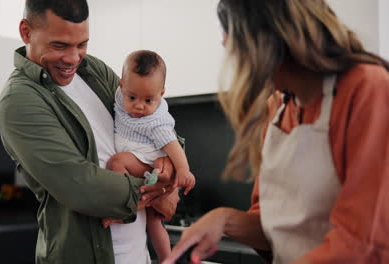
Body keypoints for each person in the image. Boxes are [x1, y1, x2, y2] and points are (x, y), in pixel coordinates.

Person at [163, 0, 389, 263]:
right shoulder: (278, 107)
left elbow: (363, 241)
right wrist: (224, 219)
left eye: (237, 48)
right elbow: (276, 228)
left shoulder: (366, 90)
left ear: (267, 38)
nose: (236, 63)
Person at [0, 0, 179, 263]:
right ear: (26, 32)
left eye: (82, 45)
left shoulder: (93, 70)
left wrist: (168, 171)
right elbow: (82, 186)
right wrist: (160, 189)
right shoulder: (18, 100)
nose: (73, 58)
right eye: (59, 45)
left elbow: (156, 123)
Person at [102, 50, 196, 261]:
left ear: (161, 94)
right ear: (121, 86)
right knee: (154, 222)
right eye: (132, 97)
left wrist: (183, 170)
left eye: (148, 100)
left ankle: (120, 209)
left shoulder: (156, 122)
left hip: (148, 163)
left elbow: (173, 147)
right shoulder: (119, 98)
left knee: (117, 161)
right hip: (148, 166)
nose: (138, 106)